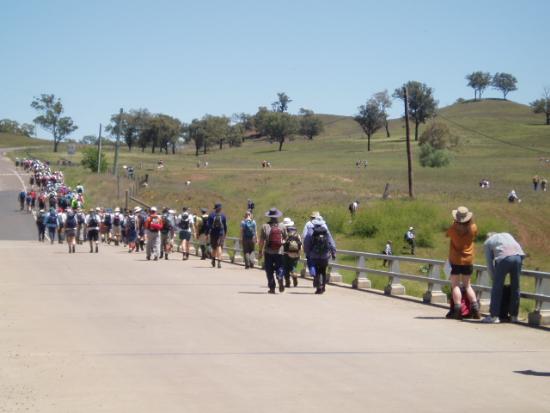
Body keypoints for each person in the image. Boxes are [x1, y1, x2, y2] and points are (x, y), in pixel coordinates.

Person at [482, 233, 525, 324]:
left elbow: (489, 263)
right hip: (518, 257)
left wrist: (493, 277)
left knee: (497, 288)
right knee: (515, 287)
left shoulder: (487, 242)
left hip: (504, 258)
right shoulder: (507, 235)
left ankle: (494, 316)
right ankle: (514, 316)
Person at [446, 206, 480, 320]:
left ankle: (457, 308)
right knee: (467, 285)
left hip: (455, 259)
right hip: (468, 259)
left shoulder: (452, 229)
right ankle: (475, 307)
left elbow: (448, 234)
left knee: (455, 285)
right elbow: (475, 234)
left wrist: (454, 224)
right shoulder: (473, 228)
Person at [303, 216, 336, 294]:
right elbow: (331, 242)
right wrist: (333, 252)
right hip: (325, 255)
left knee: (317, 271)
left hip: (314, 256)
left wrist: (307, 252)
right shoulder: (326, 231)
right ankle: (323, 287)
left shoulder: (310, 231)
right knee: (323, 271)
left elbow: (307, 244)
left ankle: (318, 287)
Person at [258, 208, 288, 293]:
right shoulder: (282, 226)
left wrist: (260, 252)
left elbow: (261, 241)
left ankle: (272, 288)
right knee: (280, 267)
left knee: (269, 269)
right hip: (280, 252)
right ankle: (280, 277)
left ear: (269, 216)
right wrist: (282, 242)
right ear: (277, 216)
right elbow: (286, 238)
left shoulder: (265, 226)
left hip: (268, 252)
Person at [282, 217, 302, 288]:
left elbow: (282, 243)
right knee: (293, 266)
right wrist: (299, 253)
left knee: (286, 268)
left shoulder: (284, 232)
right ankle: (294, 275)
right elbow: (300, 244)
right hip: (295, 253)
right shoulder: (296, 233)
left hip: (286, 253)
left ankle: (287, 283)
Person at [206, 203, 227, 268]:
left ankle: (213, 260)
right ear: (220, 208)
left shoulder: (211, 215)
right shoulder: (223, 215)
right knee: (219, 246)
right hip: (221, 233)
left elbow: (208, 225)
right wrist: (225, 233)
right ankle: (219, 262)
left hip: (213, 233)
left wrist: (207, 234)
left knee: (214, 248)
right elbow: (225, 225)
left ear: (215, 208)